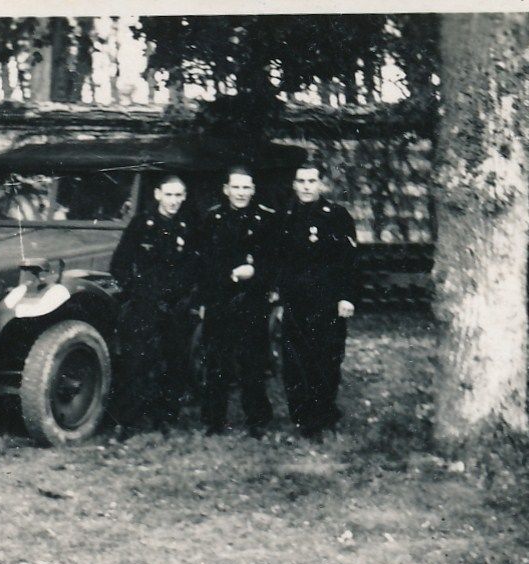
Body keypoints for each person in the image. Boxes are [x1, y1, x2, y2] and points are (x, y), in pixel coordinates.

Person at [276, 160, 357, 439]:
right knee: (295, 361)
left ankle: (324, 413)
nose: (306, 187)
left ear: (322, 184)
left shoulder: (336, 216)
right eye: (301, 181)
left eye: (312, 181)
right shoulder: (284, 216)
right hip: (295, 301)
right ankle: (302, 418)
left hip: (327, 301)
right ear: (294, 184)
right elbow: (277, 262)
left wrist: (346, 297)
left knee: (326, 359)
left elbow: (349, 262)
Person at [109, 174, 196, 432]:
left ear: (184, 197)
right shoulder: (142, 224)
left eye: (178, 195)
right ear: (158, 195)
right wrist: (137, 291)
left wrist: (187, 296)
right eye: (168, 195)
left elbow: (197, 265)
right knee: (137, 361)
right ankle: (129, 421)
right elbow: (119, 264)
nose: (173, 201)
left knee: (174, 361)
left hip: (177, 305)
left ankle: (165, 418)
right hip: (145, 304)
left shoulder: (189, 226)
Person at [196, 166, 276, 437]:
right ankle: (214, 421)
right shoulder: (212, 218)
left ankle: (257, 420)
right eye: (236, 188)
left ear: (253, 190)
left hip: (252, 300)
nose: (241, 193)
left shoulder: (266, 220)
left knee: (252, 362)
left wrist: (255, 273)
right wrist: (216, 288)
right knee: (217, 362)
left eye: (246, 188)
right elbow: (203, 262)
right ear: (226, 190)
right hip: (220, 299)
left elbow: (275, 263)